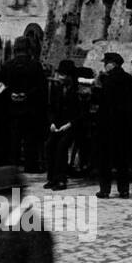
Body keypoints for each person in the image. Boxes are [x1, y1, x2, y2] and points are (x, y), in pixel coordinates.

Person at [92, 51, 132, 199]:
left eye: (105, 63)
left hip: (108, 126)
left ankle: (105, 190)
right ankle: (124, 190)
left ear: (112, 64)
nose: (104, 66)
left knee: (105, 160)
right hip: (124, 126)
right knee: (122, 160)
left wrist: (96, 88)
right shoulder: (129, 79)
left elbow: (102, 103)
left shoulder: (108, 81)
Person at [0, 37, 49, 171]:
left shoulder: (7, 65)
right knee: (30, 138)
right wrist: (27, 95)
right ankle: (30, 165)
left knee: (14, 138)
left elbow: (1, 86)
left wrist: (11, 94)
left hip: (12, 108)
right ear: (29, 49)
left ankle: (13, 165)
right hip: (30, 109)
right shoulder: (35, 65)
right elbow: (42, 88)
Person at [44, 60, 82, 190]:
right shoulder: (57, 89)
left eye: (63, 75)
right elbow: (51, 108)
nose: (60, 78)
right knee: (49, 145)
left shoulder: (78, 92)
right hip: (58, 125)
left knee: (61, 146)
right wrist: (52, 123)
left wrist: (69, 124)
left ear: (70, 76)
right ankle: (51, 177)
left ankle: (61, 179)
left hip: (72, 126)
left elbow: (82, 113)